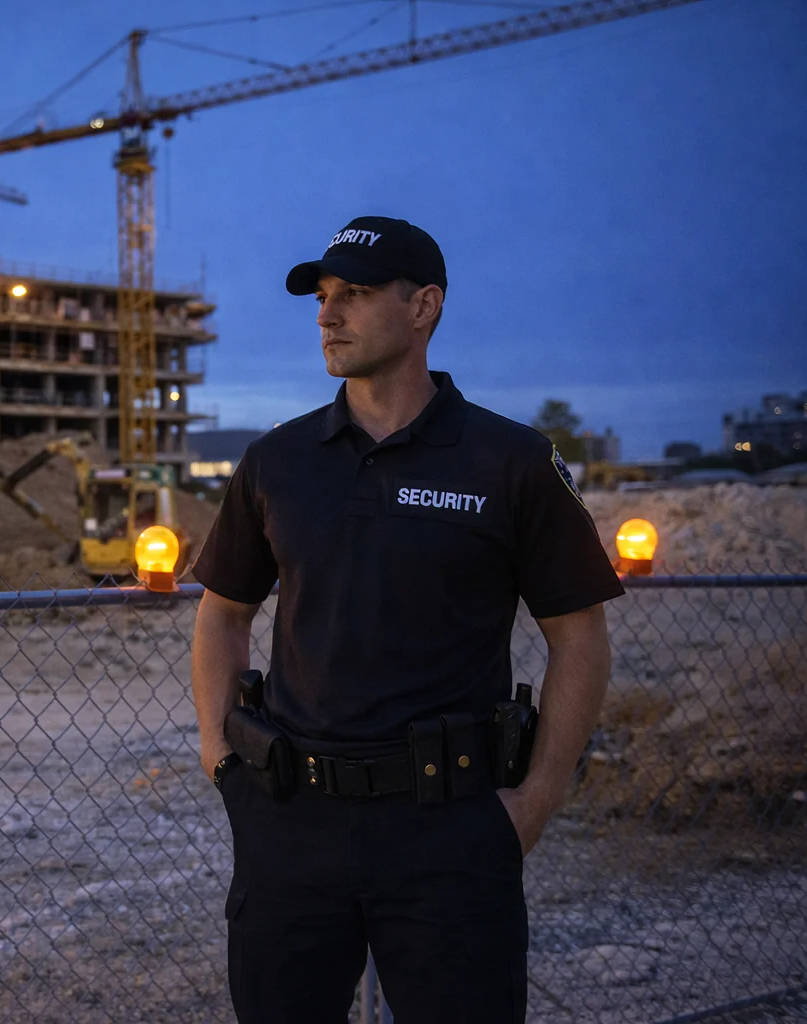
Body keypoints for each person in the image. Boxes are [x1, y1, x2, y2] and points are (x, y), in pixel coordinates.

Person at [190, 216, 624, 1024]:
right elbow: (223, 616)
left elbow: (580, 637)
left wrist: (532, 803)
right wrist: (223, 760)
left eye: (352, 295)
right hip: (289, 822)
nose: (327, 315)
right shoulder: (275, 462)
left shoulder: (511, 460)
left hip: (448, 834)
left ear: (424, 306)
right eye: (322, 297)